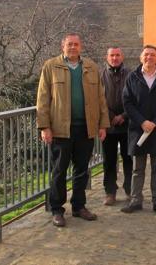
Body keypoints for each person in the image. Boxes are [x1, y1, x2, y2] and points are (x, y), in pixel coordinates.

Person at [36, 33, 109, 228]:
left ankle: (79, 206)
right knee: (59, 171)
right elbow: (43, 99)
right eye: (69, 44)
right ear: (63, 46)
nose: (73, 47)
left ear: (81, 47)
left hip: (85, 128)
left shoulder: (91, 67)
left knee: (81, 170)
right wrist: (44, 126)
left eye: (76, 44)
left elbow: (101, 99)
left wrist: (103, 125)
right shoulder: (51, 66)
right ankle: (57, 210)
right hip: (60, 129)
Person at [121, 45, 156, 216]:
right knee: (138, 168)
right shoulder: (132, 77)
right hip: (138, 129)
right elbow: (127, 102)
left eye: (152, 55)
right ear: (140, 57)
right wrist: (142, 121)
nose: (149, 57)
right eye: (146, 55)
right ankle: (136, 200)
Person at [100, 47, 132, 206]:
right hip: (108, 125)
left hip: (128, 125)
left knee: (128, 159)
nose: (115, 58)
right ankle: (110, 192)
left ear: (122, 56)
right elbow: (99, 99)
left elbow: (135, 97)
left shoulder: (131, 75)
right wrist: (112, 117)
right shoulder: (100, 75)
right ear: (107, 57)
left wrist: (123, 116)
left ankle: (129, 189)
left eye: (117, 55)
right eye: (112, 55)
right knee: (109, 160)